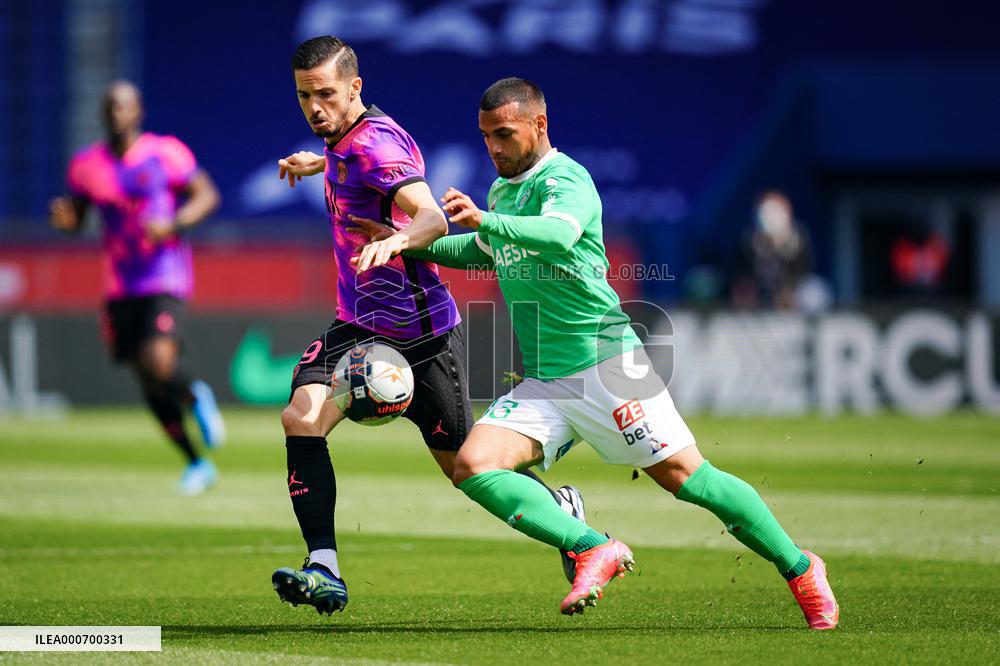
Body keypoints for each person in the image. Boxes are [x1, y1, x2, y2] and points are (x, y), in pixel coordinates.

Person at [350, 78, 839, 628]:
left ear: (539, 124)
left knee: (687, 478)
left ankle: (800, 568)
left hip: (607, 365)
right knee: (474, 465)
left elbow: (557, 236)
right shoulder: (501, 192)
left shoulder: (567, 179)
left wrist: (485, 220)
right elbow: (480, 251)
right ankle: (590, 545)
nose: (493, 147)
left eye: (504, 134)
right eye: (486, 136)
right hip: (547, 380)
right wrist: (402, 239)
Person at [270, 37, 585, 616]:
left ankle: (562, 511)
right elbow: (352, 157)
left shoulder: (376, 147)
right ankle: (325, 568)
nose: (315, 107)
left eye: (326, 94)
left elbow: (432, 217)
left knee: (466, 469)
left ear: (355, 88)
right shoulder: (346, 140)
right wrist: (319, 161)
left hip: (423, 337)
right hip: (359, 325)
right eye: (304, 96)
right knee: (302, 417)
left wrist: (393, 241)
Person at [49, 81, 225, 495]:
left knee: (160, 362)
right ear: (102, 114)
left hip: (164, 276)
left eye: (123, 106)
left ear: (138, 111)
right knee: (147, 380)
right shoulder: (86, 165)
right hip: (119, 284)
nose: (116, 113)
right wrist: (66, 222)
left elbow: (207, 196)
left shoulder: (166, 153)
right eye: (110, 107)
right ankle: (196, 462)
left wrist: (175, 223)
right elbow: (77, 217)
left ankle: (195, 394)